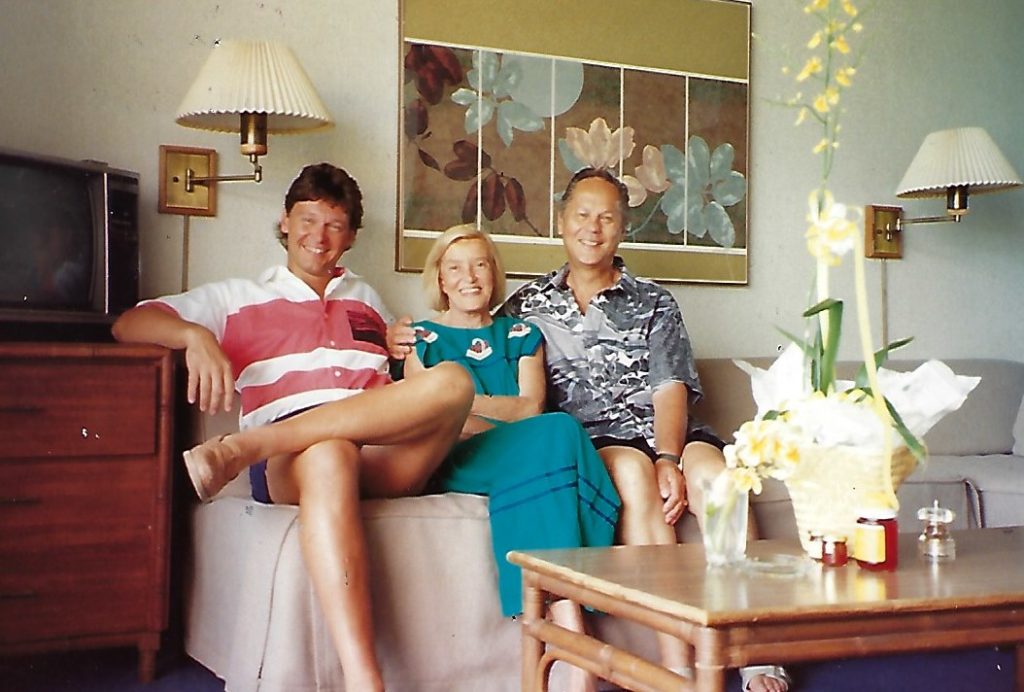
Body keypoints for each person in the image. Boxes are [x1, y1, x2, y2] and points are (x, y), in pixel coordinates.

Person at [112, 163, 474, 692]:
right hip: (296, 467)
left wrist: (403, 351)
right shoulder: (236, 298)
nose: (317, 237)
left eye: (333, 225)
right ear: (284, 222)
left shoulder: (368, 300)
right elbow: (129, 324)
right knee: (329, 452)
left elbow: (407, 384)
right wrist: (196, 337)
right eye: (306, 220)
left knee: (454, 381)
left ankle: (242, 447)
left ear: (350, 236)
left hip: (381, 454)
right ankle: (363, 679)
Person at [499, 167, 791, 692]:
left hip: (666, 435)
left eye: (607, 217)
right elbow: (470, 332)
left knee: (722, 483)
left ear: (622, 229)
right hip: (594, 442)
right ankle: (679, 666)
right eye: (582, 215)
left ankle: (757, 654)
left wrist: (669, 457)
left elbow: (670, 388)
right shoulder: (527, 304)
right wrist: (405, 336)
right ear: (561, 222)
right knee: (633, 474)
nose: (593, 227)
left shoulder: (654, 301)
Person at [401, 224, 621, 692]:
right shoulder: (421, 340)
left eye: (480, 264)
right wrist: (481, 415)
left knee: (553, 433)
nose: (469, 277)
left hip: (525, 453)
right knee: (555, 438)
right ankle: (575, 637)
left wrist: (459, 401)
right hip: (457, 456)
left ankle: (552, 633)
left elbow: (529, 407)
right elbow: (431, 421)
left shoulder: (522, 333)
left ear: (494, 273)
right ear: (440, 279)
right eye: (454, 267)